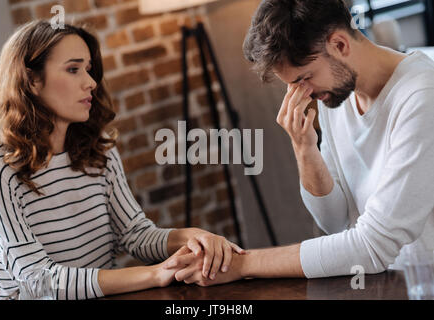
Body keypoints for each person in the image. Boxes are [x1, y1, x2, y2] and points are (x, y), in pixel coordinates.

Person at [165, 0, 434, 286]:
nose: (304, 93)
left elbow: (372, 245)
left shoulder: (421, 97)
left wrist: (242, 263)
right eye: (293, 85)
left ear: (340, 45)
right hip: (379, 285)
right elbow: (335, 221)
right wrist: (304, 148)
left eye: (305, 78)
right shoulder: (338, 94)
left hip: (421, 284)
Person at [0, 20, 244, 300]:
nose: (91, 83)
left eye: (88, 69)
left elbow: (134, 234)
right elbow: (38, 281)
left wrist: (193, 236)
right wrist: (155, 274)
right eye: (73, 69)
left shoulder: (99, 151)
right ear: (32, 80)